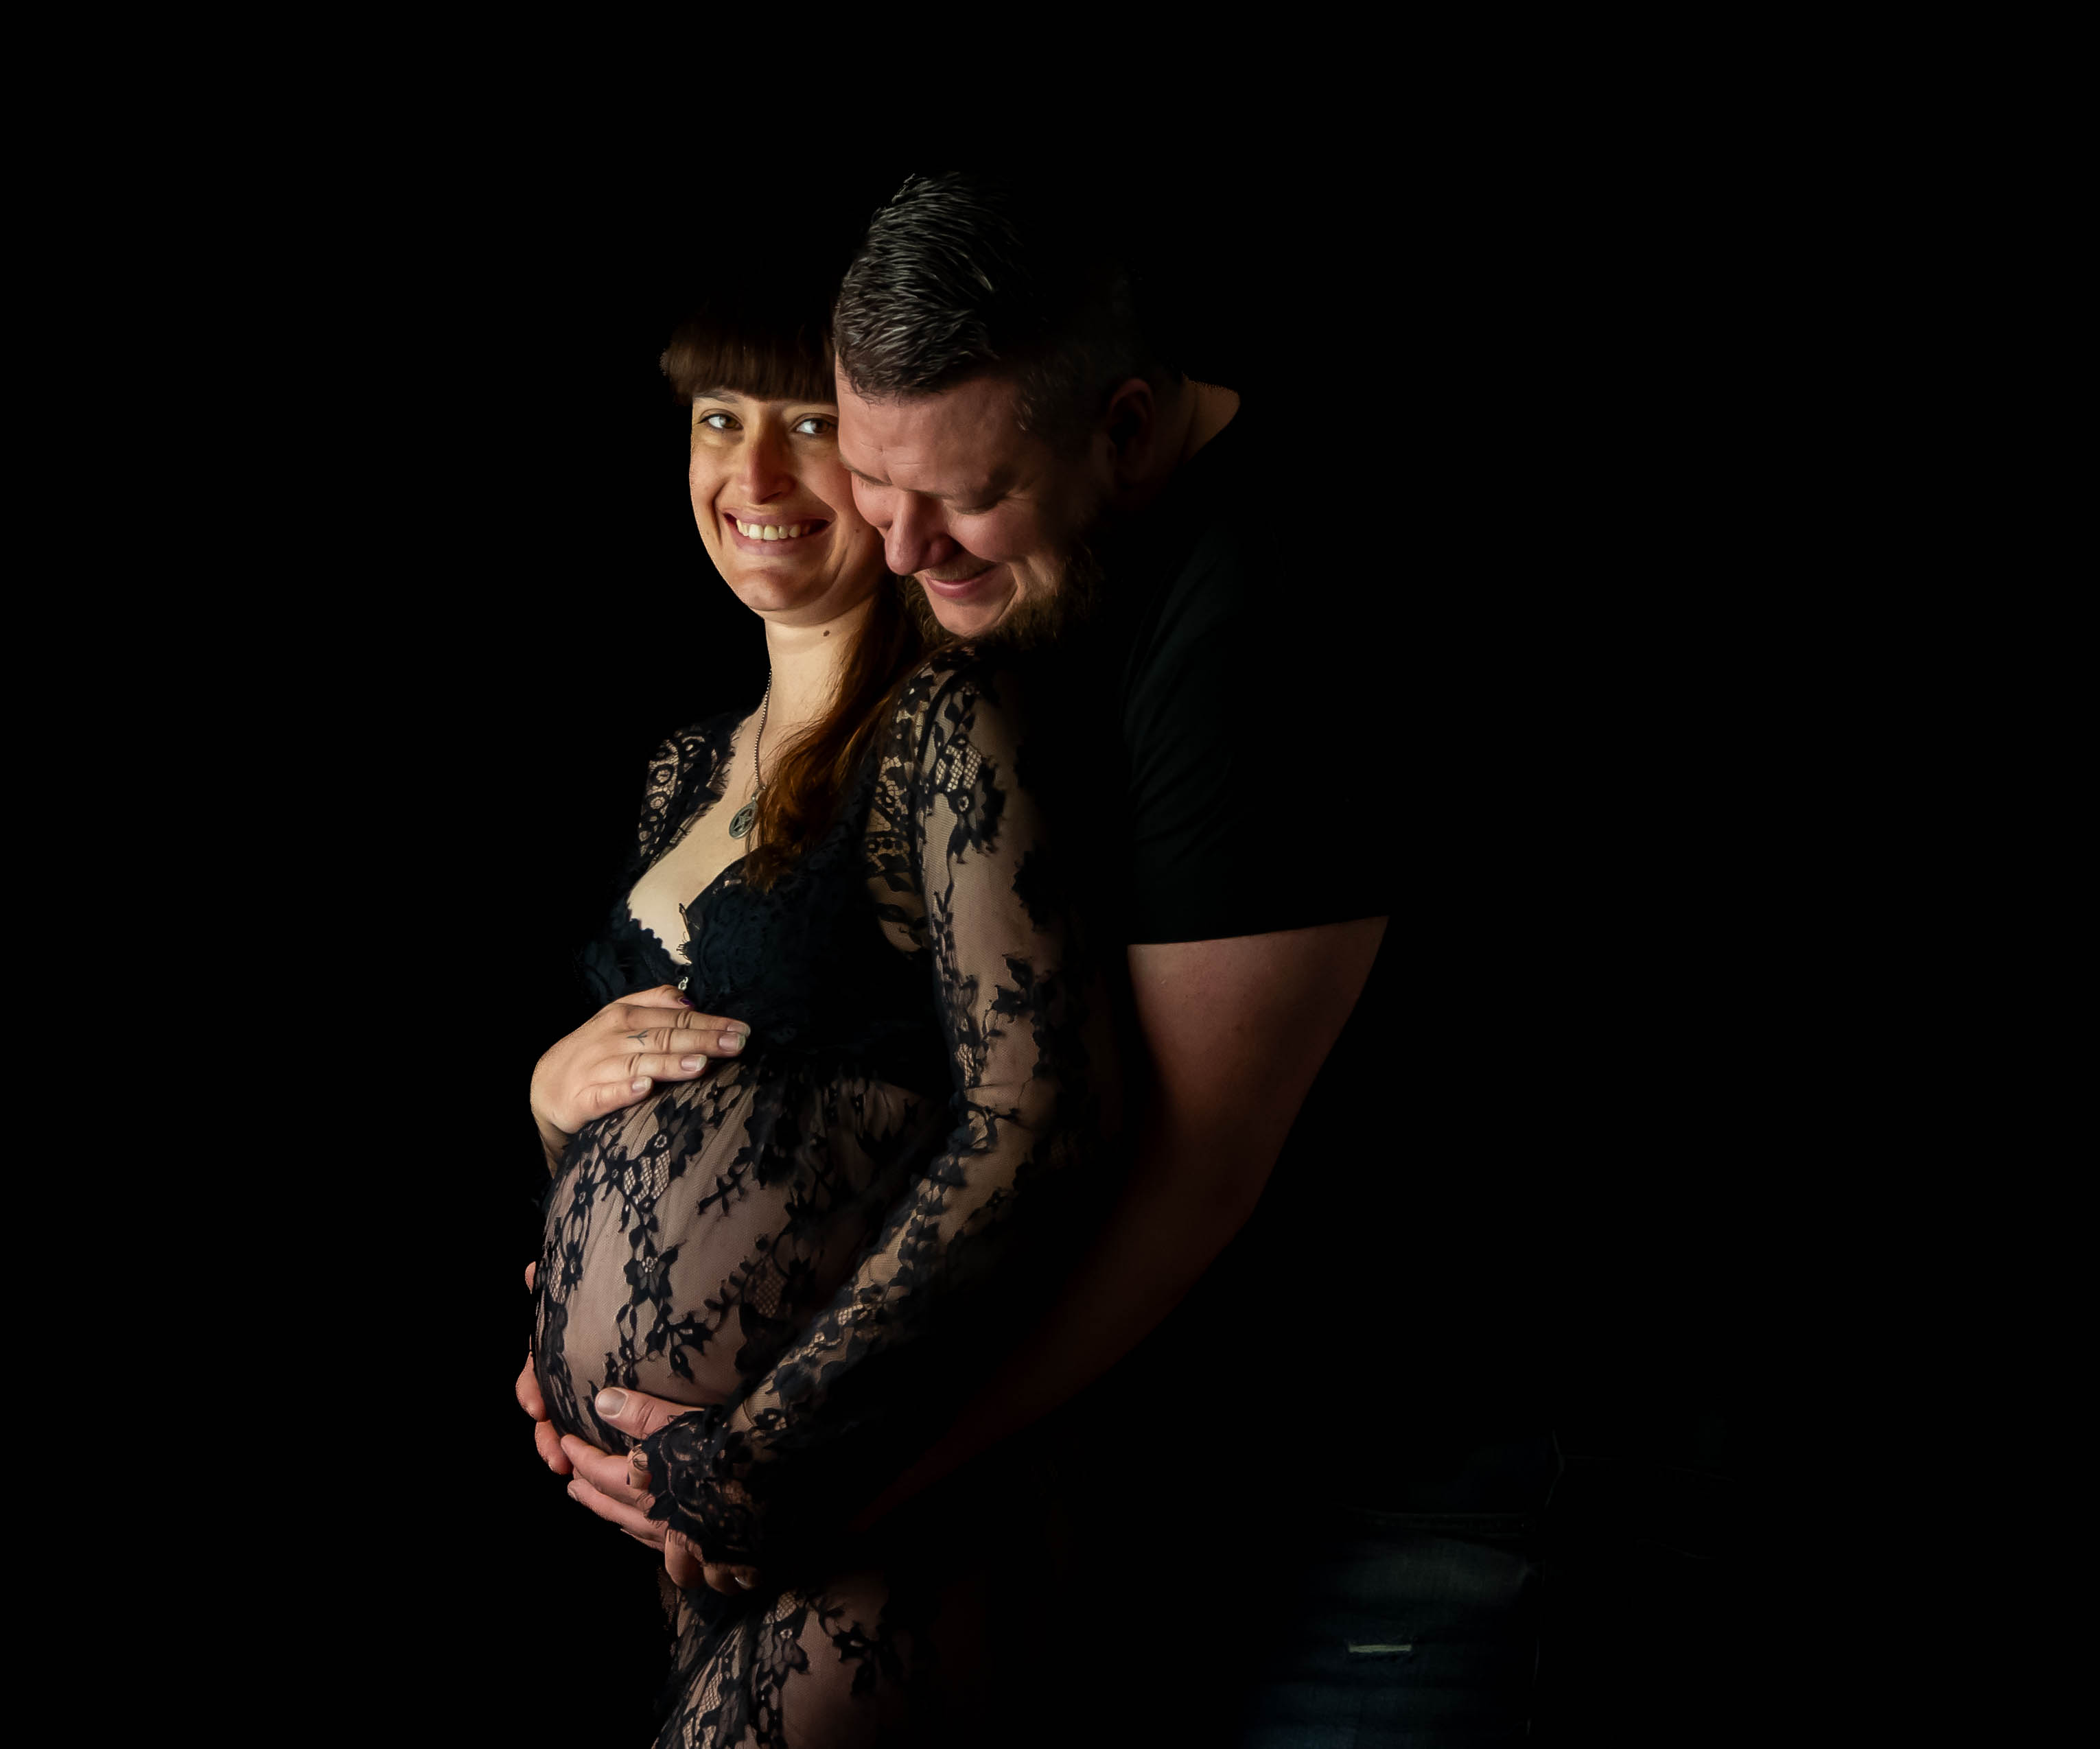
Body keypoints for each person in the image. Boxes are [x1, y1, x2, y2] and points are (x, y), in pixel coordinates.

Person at [534, 173, 1555, 1741]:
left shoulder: (1266, 624)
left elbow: (1168, 1169)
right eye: (876, 477)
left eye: (959, 497)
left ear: (1124, 428)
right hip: (1161, 1466)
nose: (900, 545)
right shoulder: (1013, 588)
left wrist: (805, 1466)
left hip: (1383, 1482)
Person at [519, 264, 1117, 1747]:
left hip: (882, 1509)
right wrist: (549, 1114)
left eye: (806, 425)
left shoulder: (946, 726)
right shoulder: (682, 768)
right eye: (719, 419)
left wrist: (761, 1452)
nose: (754, 474)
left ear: (883, 464)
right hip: (677, 1523)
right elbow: (696, 1135)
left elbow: (1036, 1122)